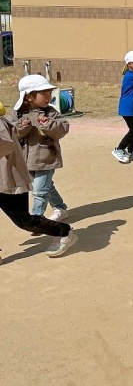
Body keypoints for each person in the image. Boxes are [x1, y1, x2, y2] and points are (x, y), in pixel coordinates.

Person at [0, 99, 77, 261]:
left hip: (8, 180)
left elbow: (5, 145)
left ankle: (64, 232)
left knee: (24, 220)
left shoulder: (1, 124)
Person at [12, 75, 70, 222]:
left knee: (39, 191)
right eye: (43, 94)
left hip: (46, 158)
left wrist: (48, 124)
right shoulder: (18, 113)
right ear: (28, 96)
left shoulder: (50, 112)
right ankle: (60, 208)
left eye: (49, 93)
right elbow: (12, 134)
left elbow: (62, 129)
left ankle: (37, 219)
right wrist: (22, 127)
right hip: (26, 160)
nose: (48, 97)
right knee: (46, 187)